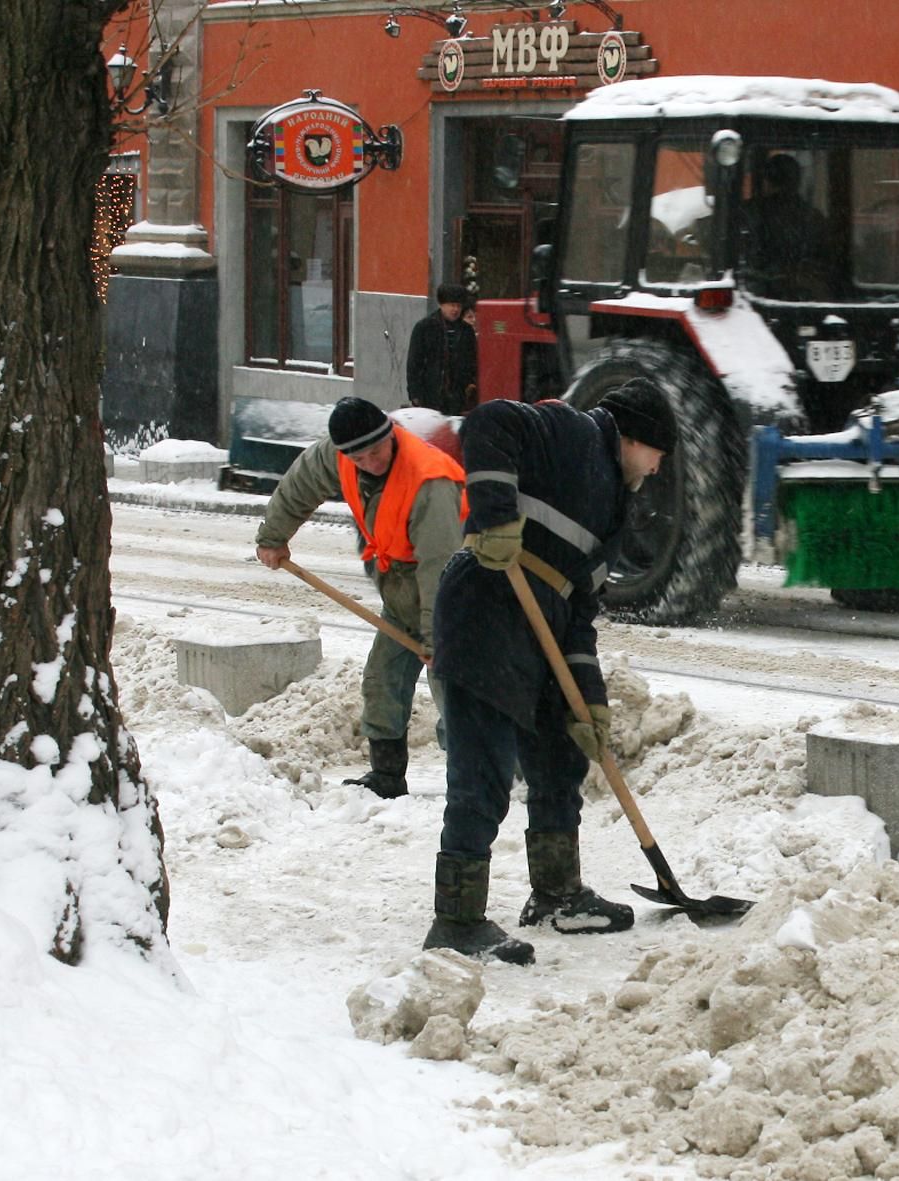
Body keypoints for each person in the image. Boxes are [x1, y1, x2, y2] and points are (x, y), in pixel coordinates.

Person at [423, 379, 675, 964]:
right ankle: (456, 920)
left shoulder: (613, 502)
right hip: (486, 609)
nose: (659, 469)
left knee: (561, 755)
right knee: (483, 774)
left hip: (542, 628)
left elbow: (580, 614)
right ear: (635, 437)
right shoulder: (574, 432)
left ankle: (557, 893)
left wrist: (590, 700)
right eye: (659, 453)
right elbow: (487, 422)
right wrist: (495, 516)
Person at [255, 397, 466, 798]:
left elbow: (441, 568)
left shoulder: (429, 482)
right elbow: (301, 483)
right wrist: (273, 536)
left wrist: (438, 638)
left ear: (391, 436)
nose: (370, 462)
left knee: (454, 692)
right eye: (359, 457)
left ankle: (473, 778)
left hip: (455, 602)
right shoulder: (341, 456)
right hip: (402, 595)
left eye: (376, 451)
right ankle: (386, 777)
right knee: (381, 683)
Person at [742, 154, 831, 299]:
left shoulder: (748, 213)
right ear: (797, 182)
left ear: (766, 181)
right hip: (804, 298)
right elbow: (825, 258)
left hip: (756, 295)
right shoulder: (813, 217)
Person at [406, 282, 480, 416]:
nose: (455, 309)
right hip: (430, 394)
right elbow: (414, 363)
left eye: (458, 305)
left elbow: (472, 361)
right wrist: (415, 393)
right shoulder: (425, 327)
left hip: (458, 397)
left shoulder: (466, 331)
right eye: (451, 305)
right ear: (441, 304)